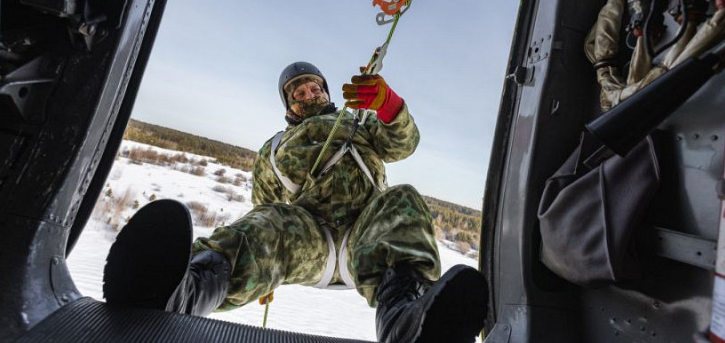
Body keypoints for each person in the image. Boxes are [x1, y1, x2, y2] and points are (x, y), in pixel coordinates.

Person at [108, 61, 488, 343]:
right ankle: (182, 292)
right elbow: (263, 209)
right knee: (270, 221)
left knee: (402, 199)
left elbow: (402, 143)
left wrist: (387, 106)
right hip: (311, 241)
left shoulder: (359, 127)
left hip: (369, 238)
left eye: (314, 88)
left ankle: (408, 323)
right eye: (298, 92)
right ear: (289, 104)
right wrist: (263, 266)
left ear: (326, 91)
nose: (308, 94)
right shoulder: (274, 149)